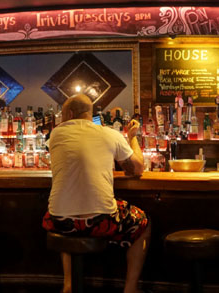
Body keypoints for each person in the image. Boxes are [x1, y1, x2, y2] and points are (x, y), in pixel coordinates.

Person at [41, 94, 148, 293]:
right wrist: (132, 137)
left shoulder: (55, 134)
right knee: (143, 222)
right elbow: (138, 169)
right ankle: (130, 289)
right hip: (101, 220)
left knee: (65, 216)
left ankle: (68, 285)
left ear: (70, 113)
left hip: (60, 221)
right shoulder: (110, 134)